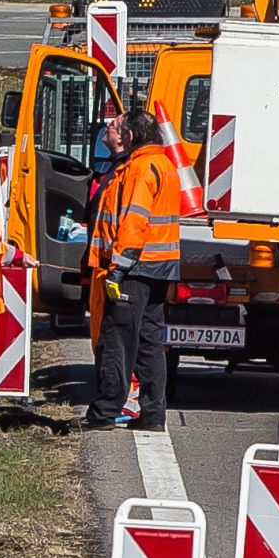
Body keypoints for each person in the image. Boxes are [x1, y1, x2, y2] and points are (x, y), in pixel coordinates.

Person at [85, 94, 185, 432]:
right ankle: (153, 414)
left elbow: (134, 222)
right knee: (149, 344)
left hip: (134, 268)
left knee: (118, 339)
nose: (112, 130)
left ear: (130, 136)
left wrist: (118, 269)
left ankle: (103, 413)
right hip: (159, 267)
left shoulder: (141, 168)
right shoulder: (164, 164)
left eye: (116, 127)